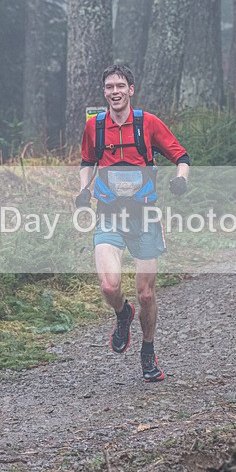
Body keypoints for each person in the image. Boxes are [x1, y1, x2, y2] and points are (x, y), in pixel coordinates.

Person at [75, 64, 190, 382]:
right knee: (110, 285)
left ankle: (148, 352)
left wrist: (180, 180)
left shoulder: (148, 123)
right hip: (108, 214)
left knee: (147, 295)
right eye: (109, 86)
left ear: (131, 90)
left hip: (144, 217)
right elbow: (87, 162)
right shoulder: (95, 127)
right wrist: (84, 189)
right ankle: (122, 313)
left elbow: (181, 156)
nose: (115, 91)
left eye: (120, 86)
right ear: (104, 91)